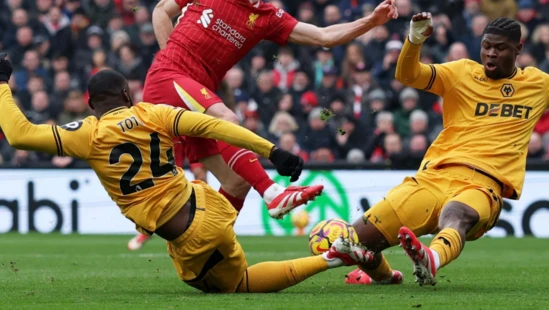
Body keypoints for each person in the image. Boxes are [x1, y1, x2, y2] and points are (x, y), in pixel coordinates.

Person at [0, 61, 373, 293]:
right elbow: (218, 125)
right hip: (204, 202)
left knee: (232, 285)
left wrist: (2, 84)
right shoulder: (155, 112)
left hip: (189, 231)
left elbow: (19, 134)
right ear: (128, 93)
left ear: (89, 103)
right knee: (225, 180)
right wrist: (273, 151)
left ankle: (332, 257)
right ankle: (269, 192)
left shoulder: (88, 133)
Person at [345, 14, 549, 286]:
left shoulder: (537, 84)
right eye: (486, 46)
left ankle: (430, 258)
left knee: (455, 215)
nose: (490, 53)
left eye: (499, 48)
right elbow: (408, 77)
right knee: (353, 241)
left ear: (518, 49)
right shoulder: (461, 72)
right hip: (438, 176)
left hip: (484, 185)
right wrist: (414, 40)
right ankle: (381, 273)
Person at [145, 0, 398, 222]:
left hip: (196, 95)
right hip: (170, 78)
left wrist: (371, 21)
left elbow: (323, 35)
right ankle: (273, 192)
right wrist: (171, 61)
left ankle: (207, 244)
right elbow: (161, 11)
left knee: (237, 182)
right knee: (229, 121)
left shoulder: (267, 17)